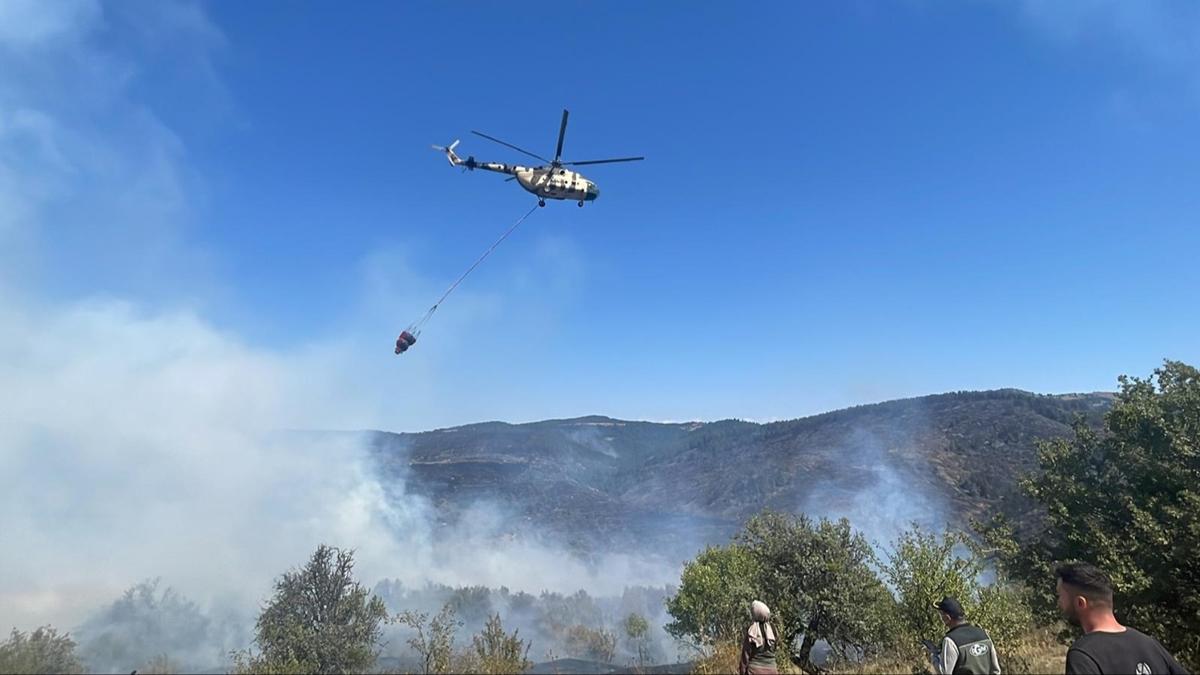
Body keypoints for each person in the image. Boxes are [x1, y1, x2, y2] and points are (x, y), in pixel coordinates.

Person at [1056, 562, 1187, 674]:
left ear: (1080, 603)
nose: (1059, 603)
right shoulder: (1150, 644)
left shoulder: (1084, 655)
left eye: (1060, 596)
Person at [932, 596, 1001, 675]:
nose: (941, 618)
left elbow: (944, 672)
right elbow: (996, 670)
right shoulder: (983, 634)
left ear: (947, 617)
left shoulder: (950, 640)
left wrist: (934, 655)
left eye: (941, 614)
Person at [739, 600, 778, 675]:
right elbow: (775, 648)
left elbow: (745, 655)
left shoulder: (752, 631)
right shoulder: (773, 630)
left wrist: (742, 671)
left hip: (754, 670)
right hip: (772, 670)